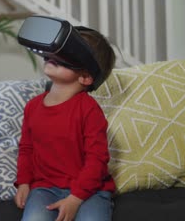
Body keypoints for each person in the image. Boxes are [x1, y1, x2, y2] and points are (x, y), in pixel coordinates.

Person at [14, 26, 117, 221]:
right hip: (44, 189)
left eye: (68, 52)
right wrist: (24, 183)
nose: (56, 54)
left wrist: (76, 198)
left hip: (90, 192)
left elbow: (97, 159)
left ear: (86, 77)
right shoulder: (32, 107)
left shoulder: (89, 110)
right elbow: (26, 149)